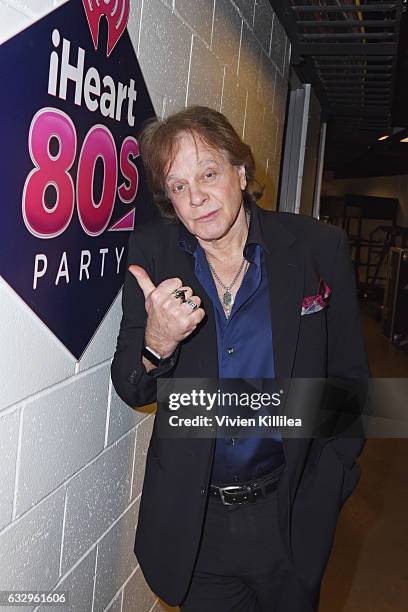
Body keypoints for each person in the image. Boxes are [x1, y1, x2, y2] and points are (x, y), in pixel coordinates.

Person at [111, 106, 369, 611]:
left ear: (242, 172)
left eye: (209, 173)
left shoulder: (318, 247)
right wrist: (157, 344)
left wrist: (329, 485)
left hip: (290, 513)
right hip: (195, 523)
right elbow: (130, 385)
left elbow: (349, 382)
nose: (197, 197)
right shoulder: (153, 254)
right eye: (178, 186)